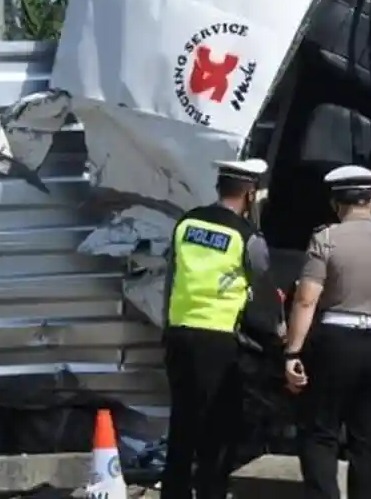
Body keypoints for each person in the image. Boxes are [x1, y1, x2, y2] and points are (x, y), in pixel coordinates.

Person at [283, 165, 371, 499]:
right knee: (370, 439)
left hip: (334, 343)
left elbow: (306, 300)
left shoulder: (326, 239)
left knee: (320, 433)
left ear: (337, 203)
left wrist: (292, 352)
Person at [161, 158, 272, 499]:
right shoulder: (247, 236)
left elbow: (171, 276)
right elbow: (262, 280)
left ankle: (174, 493)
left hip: (179, 332)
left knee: (182, 420)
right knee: (217, 425)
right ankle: (210, 492)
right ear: (250, 195)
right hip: (219, 339)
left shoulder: (186, 222)